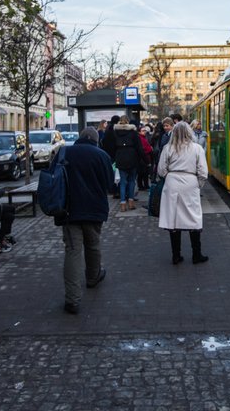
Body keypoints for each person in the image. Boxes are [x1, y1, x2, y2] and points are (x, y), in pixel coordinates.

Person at [60, 127, 114, 315]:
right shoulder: (101, 155)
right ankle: (93, 277)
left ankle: (72, 300)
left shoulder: (64, 152)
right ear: (95, 140)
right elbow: (109, 184)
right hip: (94, 209)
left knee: (73, 251)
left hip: (68, 209)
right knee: (93, 245)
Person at [157, 121, 209, 265]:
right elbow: (203, 172)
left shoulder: (168, 148)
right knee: (193, 217)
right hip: (190, 182)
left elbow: (161, 170)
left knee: (173, 219)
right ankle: (196, 255)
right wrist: (197, 184)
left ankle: (176, 256)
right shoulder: (197, 148)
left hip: (172, 183)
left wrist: (169, 177)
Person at [113, 116, 144, 211]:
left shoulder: (115, 133)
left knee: (123, 182)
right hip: (132, 158)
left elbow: (112, 147)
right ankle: (131, 202)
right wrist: (145, 160)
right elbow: (139, 147)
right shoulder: (133, 132)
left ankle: (122, 204)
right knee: (131, 181)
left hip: (120, 158)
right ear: (128, 122)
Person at [137, 126, 154, 191]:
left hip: (146, 157)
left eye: (145, 130)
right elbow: (143, 149)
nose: (144, 132)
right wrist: (150, 149)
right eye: (143, 130)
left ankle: (143, 185)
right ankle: (143, 186)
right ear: (139, 132)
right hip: (143, 157)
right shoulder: (140, 138)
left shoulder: (144, 137)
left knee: (144, 173)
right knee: (143, 173)